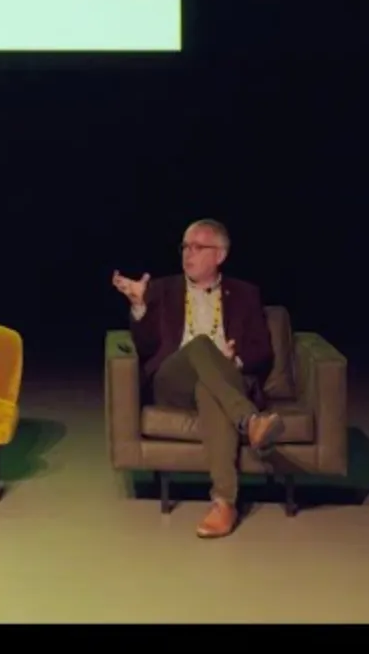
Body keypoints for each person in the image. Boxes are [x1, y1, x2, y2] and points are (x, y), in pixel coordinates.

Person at [111, 218, 282, 539]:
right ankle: (249, 420)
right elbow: (146, 348)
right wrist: (139, 306)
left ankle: (224, 503)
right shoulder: (162, 289)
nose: (188, 254)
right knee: (201, 345)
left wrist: (234, 360)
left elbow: (262, 350)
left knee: (209, 388)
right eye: (185, 247)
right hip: (174, 381)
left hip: (223, 381)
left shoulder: (245, 294)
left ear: (220, 255)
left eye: (197, 247)